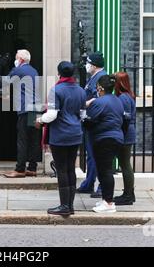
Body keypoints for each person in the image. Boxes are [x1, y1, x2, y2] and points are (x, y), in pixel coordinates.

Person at [35, 62, 86, 216]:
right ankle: (70, 205)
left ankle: (64, 205)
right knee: (71, 168)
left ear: (59, 74)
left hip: (61, 135)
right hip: (76, 133)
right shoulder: (81, 91)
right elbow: (83, 115)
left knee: (62, 170)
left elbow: (52, 114)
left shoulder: (56, 89)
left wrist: (39, 120)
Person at [85, 75, 124, 213]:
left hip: (104, 139)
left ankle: (108, 203)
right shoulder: (117, 100)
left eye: (97, 87)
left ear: (100, 88)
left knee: (104, 171)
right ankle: (106, 200)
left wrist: (82, 119)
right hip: (116, 138)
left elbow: (90, 120)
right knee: (105, 170)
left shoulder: (100, 102)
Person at [2, 49, 42, 178]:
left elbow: (5, 80)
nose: (15, 59)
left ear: (21, 60)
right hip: (35, 108)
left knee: (23, 139)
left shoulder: (19, 69)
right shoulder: (33, 70)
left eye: (16, 57)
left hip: (25, 109)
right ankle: (32, 168)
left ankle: (20, 169)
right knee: (34, 139)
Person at [77, 52, 107, 198]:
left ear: (94, 65)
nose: (86, 66)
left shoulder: (101, 78)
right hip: (90, 119)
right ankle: (89, 183)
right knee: (91, 155)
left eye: (88, 63)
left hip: (95, 120)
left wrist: (86, 103)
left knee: (96, 155)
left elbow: (99, 97)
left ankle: (99, 186)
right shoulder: (95, 77)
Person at [114, 72, 137, 205]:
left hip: (126, 133)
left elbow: (126, 118)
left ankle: (128, 195)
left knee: (125, 164)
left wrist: (121, 133)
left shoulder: (123, 98)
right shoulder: (127, 96)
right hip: (127, 132)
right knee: (124, 163)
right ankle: (129, 193)